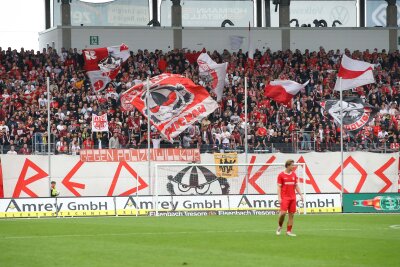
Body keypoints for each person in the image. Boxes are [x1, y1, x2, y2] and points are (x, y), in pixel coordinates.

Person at [276, 159, 304, 237]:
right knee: (283, 213)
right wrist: (279, 197)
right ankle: (280, 226)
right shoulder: (281, 175)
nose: (293, 166)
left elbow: (296, 186)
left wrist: (301, 195)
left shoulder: (294, 175)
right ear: (288, 166)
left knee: (291, 215)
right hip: (284, 197)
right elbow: (279, 187)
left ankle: (288, 231)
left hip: (293, 197)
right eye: (292, 165)